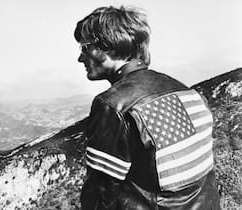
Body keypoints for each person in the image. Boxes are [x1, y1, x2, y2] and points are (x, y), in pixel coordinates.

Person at [74, 5, 220, 210]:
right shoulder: (185, 91)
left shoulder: (112, 105)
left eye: (85, 47)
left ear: (108, 45)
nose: (80, 58)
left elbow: (101, 193)